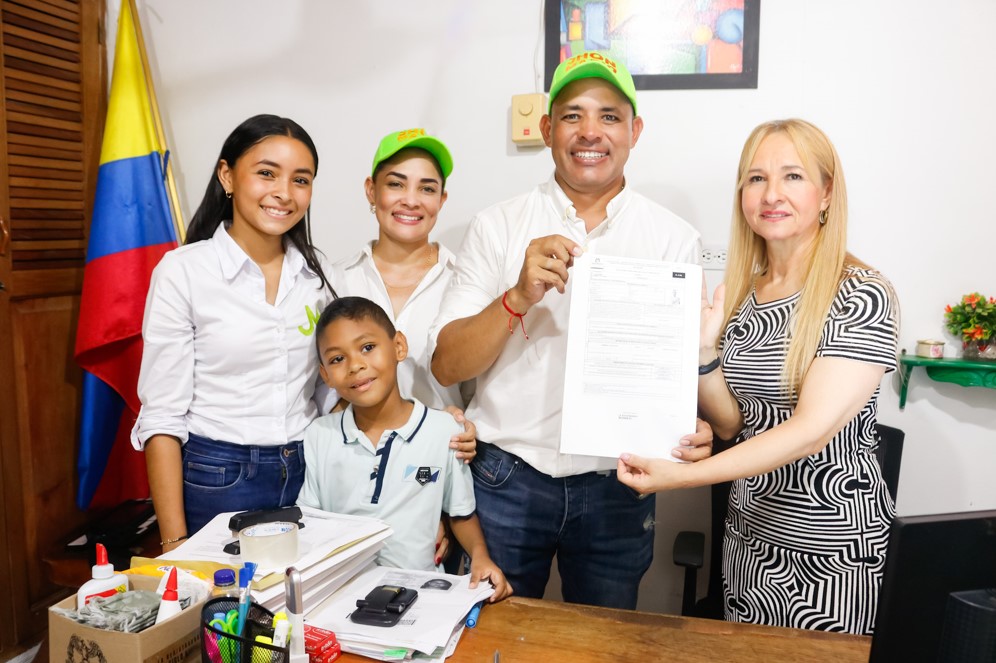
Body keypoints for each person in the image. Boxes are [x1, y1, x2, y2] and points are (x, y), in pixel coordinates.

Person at [429, 51, 712, 610]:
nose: (590, 132)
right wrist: (515, 298)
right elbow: (446, 365)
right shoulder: (497, 226)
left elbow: (677, 368)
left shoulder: (673, 240)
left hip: (619, 483)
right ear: (546, 129)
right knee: (491, 633)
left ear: (635, 131)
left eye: (609, 116)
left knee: (603, 640)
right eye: (572, 115)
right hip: (505, 476)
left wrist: (688, 424)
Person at [132, 115, 476, 552]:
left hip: (308, 468)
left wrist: (422, 476)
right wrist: (174, 541)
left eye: (300, 180)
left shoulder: (318, 274)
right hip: (219, 476)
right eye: (266, 173)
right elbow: (162, 417)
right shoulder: (184, 271)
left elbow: (333, 393)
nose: (284, 192)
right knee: (224, 595)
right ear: (227, 176)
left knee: (312, 595)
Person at [616, 119, 899, 635]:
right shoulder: (745, 293)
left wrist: (678, 477)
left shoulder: (862, 293)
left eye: (792, 176)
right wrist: (704, 352)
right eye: (756, 178)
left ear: (826, 193)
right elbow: (734, 424)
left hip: (831, 547)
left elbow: (809, 431)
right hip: (749, 537)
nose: (771, 194)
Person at [297, 296, 512, 602]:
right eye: (337, 359)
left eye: (367, 347)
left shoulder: (445, 431)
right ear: (325, 375)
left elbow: (461, 513)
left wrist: (480, 556)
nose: (355, 365)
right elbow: (311, 523)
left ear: (399, 346)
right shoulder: (319, 435)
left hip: (422, 595)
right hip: (341, 596)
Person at [332, 128, 470, 411]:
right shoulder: (336, 280)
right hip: (350, 440)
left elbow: (479, 391)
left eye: (427, 188)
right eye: (396, 184)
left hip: (444, 440)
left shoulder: (465, 282)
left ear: (441, 200)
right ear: (371, 191)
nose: (411, 200)